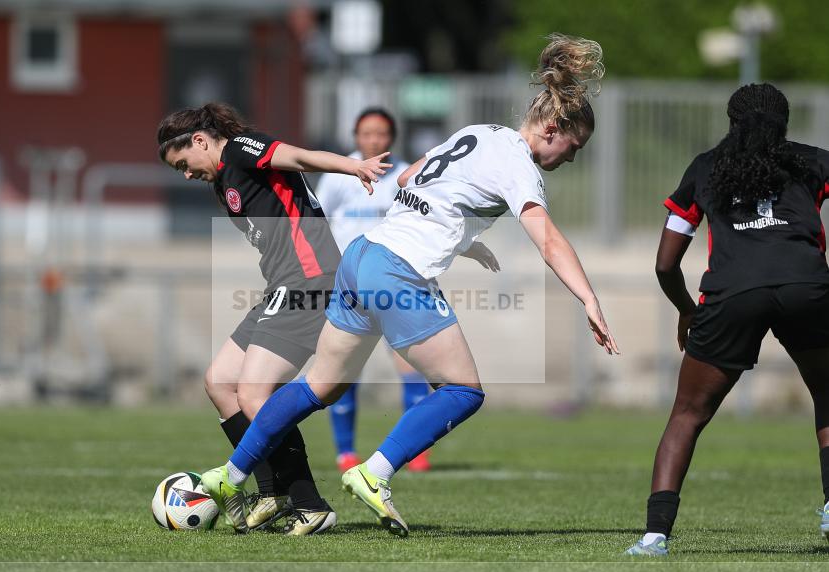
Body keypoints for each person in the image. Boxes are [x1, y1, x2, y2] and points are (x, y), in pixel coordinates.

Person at [203, 33, 618, 537]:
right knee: (464, 389)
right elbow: (549, 242)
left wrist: (464, 239)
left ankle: (231, 475)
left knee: (319, 387)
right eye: (573, 148)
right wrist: (589, 298)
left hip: (360, 257)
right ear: (553, 128)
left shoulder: (481, 132)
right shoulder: (519, 166)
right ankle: (373, 473)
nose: (571, 158)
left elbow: (409, 180)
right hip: (396, 273)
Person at [157, 102, 391, 535]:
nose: (186, 174)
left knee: (254, 394)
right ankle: (273, 493)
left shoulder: (242, 150)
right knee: (220, 382)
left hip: (311, 282)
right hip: (281, 288)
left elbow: (299, 156)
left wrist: (352, 166)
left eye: (184, 164)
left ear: (200, 141)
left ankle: (310, 504)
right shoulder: (223, 177)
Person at [626, 83, 829, 556]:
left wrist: (687, 310)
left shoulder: (705, 168)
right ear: (785, 123)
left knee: (687, 415)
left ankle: (655, 535)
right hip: (807, 286)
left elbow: (664, 264)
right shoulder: (814, 161)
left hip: (732, 294)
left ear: (732, 123)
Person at [316, 107, 440, 473]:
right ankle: (345, 452)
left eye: (381, 133)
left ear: (392, 136)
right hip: (350, 283)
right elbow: (319, 223)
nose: (374, 140)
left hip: (395, 283)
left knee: (411, 364)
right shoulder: (340, 174)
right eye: (367, 133)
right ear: (356, 136)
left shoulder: (404, 176)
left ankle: (415, 450)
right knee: (345, 368)